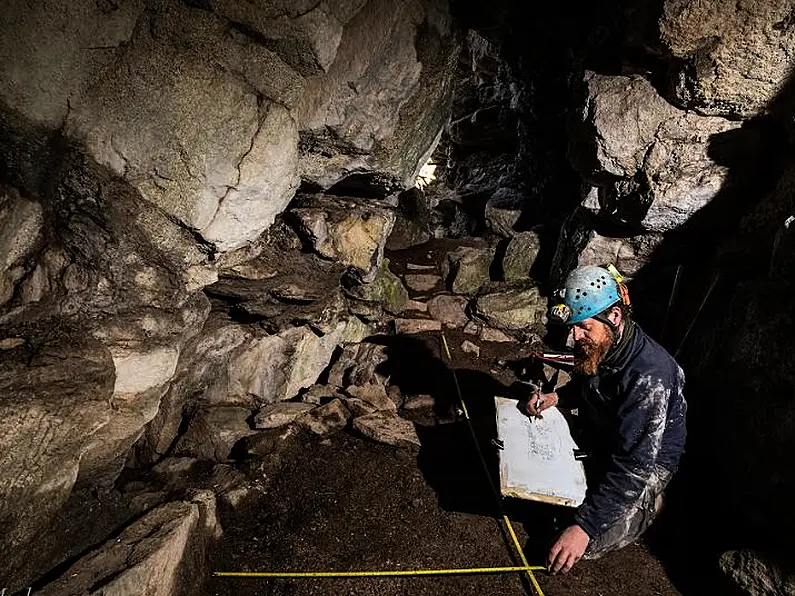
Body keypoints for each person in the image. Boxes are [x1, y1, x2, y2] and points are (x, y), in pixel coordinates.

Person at [526, 265, 687, 574]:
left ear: (614, 317)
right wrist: (555, 398)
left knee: (585, 545)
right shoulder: (602, 342)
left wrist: (584, 529)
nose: (575, 336)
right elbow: (586, 382)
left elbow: (634, 463)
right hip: (609, 434)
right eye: (574, 327)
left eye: (583, 327)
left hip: (646, 461)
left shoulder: (649, 377)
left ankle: (652, 503)